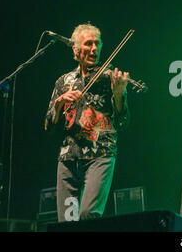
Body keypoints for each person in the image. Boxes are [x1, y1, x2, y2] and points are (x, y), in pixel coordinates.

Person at [45, 23, 130, 222]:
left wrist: (119, 95)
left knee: (87, 215)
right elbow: (49, 127)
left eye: (97, 44)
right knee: (67, 220)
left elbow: (123, 122)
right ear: (75, 49)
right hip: (68, 159)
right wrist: (58, 105)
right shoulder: (63, 81)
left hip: (100, 154)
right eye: (88, 44)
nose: (94, 49)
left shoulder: (110, 78)